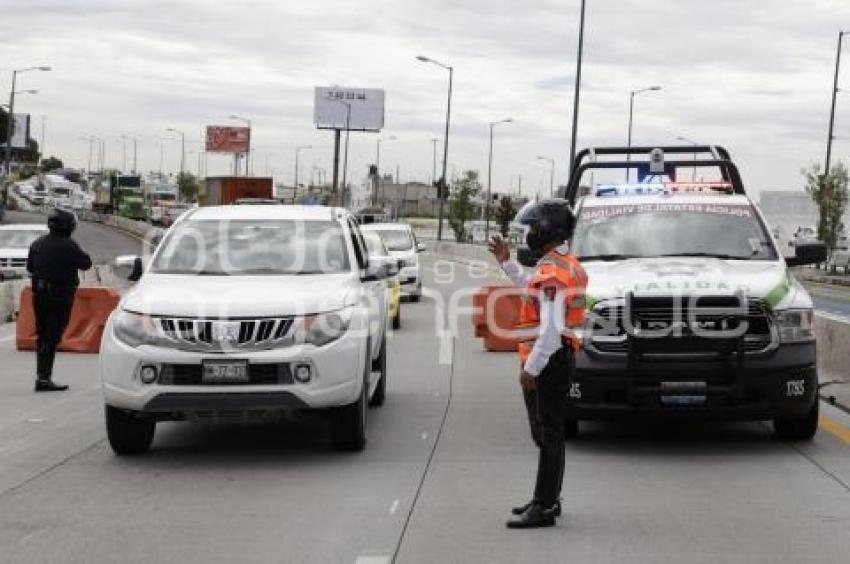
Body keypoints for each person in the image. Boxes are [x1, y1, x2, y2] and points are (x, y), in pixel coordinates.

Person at [488, 199, 587, 529]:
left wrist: (532, 370)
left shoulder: (554, 271)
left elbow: (550, 330)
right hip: (556, 357)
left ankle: (544, 507)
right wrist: (507, 263)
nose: (528, 233)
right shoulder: (559, 264)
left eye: (532, 227)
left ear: (547, 230)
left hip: (550, 360)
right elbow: (530, 286)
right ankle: (546, 499)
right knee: (548, 434)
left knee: (549, 434)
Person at [27, 208, 92, 392]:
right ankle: (44, 378)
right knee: (52, 334)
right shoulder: (68, 245)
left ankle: (42, 375)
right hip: (59, 295)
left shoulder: (37, 243)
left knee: (43, 334)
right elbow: (86, 263)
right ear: (68, 226)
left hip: (39, 294)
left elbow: (30, 267)